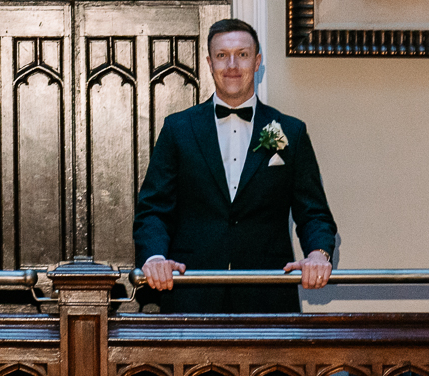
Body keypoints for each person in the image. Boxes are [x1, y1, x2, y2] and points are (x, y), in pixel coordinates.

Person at [132, 18, 338, 313]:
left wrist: (318, 255)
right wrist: (154, 259)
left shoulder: (291, 132)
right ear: (209, 62)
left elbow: (314, 213)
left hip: (267, 296)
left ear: (257, 62)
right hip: (190, 293)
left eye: (242, 54)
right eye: (221, 55)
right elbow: (153, 209)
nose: (231, 65)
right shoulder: (178, 129)